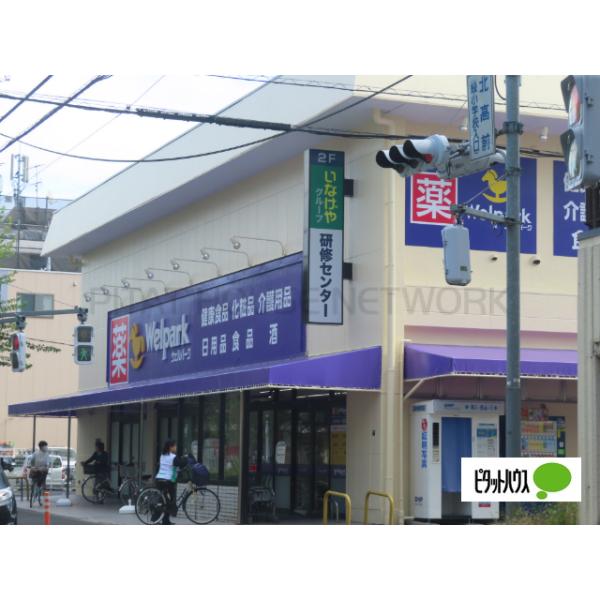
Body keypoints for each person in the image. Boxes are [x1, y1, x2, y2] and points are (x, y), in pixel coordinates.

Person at [155, 440, 187, 525]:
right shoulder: (173, 457)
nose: (176, 447)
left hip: (159, 479)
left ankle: (162, 520)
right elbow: (180, 464)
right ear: (170, 447)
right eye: (175, 446)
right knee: (170, 501)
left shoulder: (162, 455)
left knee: (163, 500)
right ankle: (162, 520)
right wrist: (186, 459)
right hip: (167, 480)